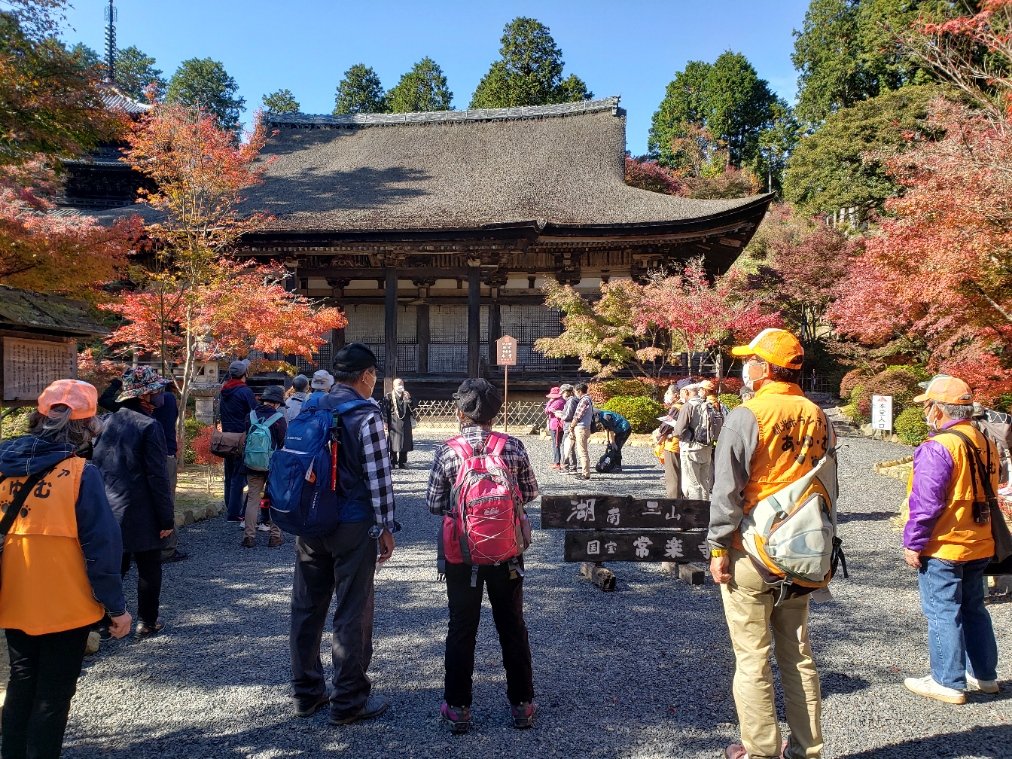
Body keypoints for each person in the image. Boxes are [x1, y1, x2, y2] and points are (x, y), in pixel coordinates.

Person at [708, 328, 831, 759]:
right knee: (798, 654)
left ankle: (760, 750)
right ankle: (807, 749)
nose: (745, 366)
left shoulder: (749, 414)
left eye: (750, 360)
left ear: (764, 368)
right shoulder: (817, 414)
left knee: (752, 658)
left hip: (752, 548)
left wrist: (718, 547)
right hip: (802, 546)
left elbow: (726, 490)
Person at [0, 380, 131, 759]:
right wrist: (117, 609)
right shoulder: (79, 474)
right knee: (53, 695)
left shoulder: (5, 467)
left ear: (38, 416)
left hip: (13, 597)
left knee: (22, 682)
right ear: (88, 425)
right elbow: (102, 550)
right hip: (67, 604)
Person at [290, 343, 398, 725]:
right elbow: (378, 476)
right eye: (374, 377)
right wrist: (386, 525)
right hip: (351, 524)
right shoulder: (366, 414)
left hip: (309, 519)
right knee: (352, 609)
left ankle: (307, 693)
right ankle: (348, 700)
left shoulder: (312, 406)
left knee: (307, 606)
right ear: (366, 375)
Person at [426, 378, 539, 734]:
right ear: (496, 412)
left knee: (461, 628)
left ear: (460, 412)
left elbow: (433, 504)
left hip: (461, 555)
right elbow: (530, 492)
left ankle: (458, 707)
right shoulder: (513, 446)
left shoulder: (448, 450)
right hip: (507, 553)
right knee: (512, 627)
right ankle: (522, 705)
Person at [902, 375, 1000, 705]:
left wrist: (914, 543)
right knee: (974, 608)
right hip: (981, 540)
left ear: (939, 410)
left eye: (927, 405)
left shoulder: (940, 447)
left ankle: (947, 680)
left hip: (945, 542)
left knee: (943, 611)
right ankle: (984, 675)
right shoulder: (986, 442)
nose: (925, 412)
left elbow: (926, 503)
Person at [92, 367, 176, 639]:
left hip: (108, 506)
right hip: (142, 510)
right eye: (158, 390)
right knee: (149, 566)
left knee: (115, 565)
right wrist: (166, 519)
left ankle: (105, 619)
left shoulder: (107, 421)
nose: (162, 394)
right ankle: (147, 621)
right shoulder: (149, 426)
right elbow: (157, 476)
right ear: (147, 395)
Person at [100, 377, 186, 563]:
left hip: (128, 465)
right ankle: (165, 546)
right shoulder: (162, 407)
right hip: (166, 453)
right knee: (162, 496)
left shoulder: (115, 419)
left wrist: (115, 383)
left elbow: (104, 401)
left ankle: (132, 547)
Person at [242, 384, 287, 549]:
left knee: (253, 499)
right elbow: (283, 442)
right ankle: (275, 536)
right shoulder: (278, 419)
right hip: (273, 465)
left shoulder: (251, 416)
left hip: (252, 464)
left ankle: (249, 537)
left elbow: (246, 437)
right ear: (276, 403)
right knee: (275, 499)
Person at [218, 359, 257, 522]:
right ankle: (234, 512)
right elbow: (254, 413)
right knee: (238, 475)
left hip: (227, 436)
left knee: (229, 472)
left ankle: (230, 506)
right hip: (241, 436)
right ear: (244, 374)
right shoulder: (244, 391)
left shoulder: (224, 390)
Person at [672, 382, 715, 500]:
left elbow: (679, 430)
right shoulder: (707, 404)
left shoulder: (688, 406)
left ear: (686, 392)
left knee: (693, 484)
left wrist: (672, 434)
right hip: (706, 447)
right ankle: (705, 511)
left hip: (691, 448)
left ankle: (696, 513)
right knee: (704, 482)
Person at [382, 378, 414, 469]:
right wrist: (385, 421)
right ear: (394, 386)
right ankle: (393, 461)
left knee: (405, 442)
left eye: (402, 384)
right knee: (393, 442)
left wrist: (409, 400)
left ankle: (402, 462)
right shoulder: (388, 396)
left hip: (405, 421)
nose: (400, 386)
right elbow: (385, 410)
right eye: (398, 384)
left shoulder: (406, 396)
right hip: (393, 421)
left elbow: (413, 410)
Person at [567, 383, 594, 480]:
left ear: (579, 391)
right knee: (583, 451)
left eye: (575, 392)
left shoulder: (584, 400)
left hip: (581, 428)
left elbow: (577, 416)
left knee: (582, 451)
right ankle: (585, 471)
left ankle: (585, 473)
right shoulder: (589, 400)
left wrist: (571, 426)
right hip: (586, 427)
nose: (574, 394)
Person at [555, 384, 577, 473]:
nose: (562, 395)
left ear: (566, 392)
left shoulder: (571, 401)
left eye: (563, 393)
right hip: (570, 426)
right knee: (570, 447)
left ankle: (567, 467)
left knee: (566, 446)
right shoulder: (573, 400)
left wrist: (560, 415)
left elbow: (569, 415)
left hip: (569, 426)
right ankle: (572, 467)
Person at [544, 386, 565, 471]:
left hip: (556, 425)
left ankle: (557, 462)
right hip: (558, 425)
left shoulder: (558, 402)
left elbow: (546, 411)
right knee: (558, 444)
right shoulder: (562, 401)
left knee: (556, 444)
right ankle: (558, 461)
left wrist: (549, 402)